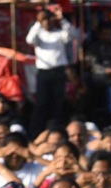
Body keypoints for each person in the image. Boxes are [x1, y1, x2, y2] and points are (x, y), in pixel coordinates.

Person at [26, 7, 75, 138]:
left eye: (49, 20)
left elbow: (70, 35)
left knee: (57, 103)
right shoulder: (39, 35)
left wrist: (63, 19)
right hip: (43, 73)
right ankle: (36, 132)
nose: (47, 22)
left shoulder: (59, 33)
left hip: (58, 72)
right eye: (44, 20)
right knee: (41, 102)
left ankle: (56, 130)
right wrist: (38, 21)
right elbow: (29, 40)